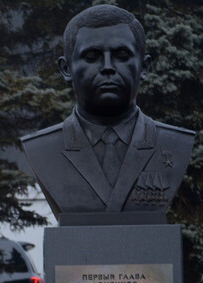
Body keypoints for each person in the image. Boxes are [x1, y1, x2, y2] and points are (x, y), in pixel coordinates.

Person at [20, 5, 194, 222]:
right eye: (92, 56)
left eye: (122, 55)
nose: (108, 67)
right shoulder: (42, 150)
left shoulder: (175, 144)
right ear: (66, 69)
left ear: (144, 67)